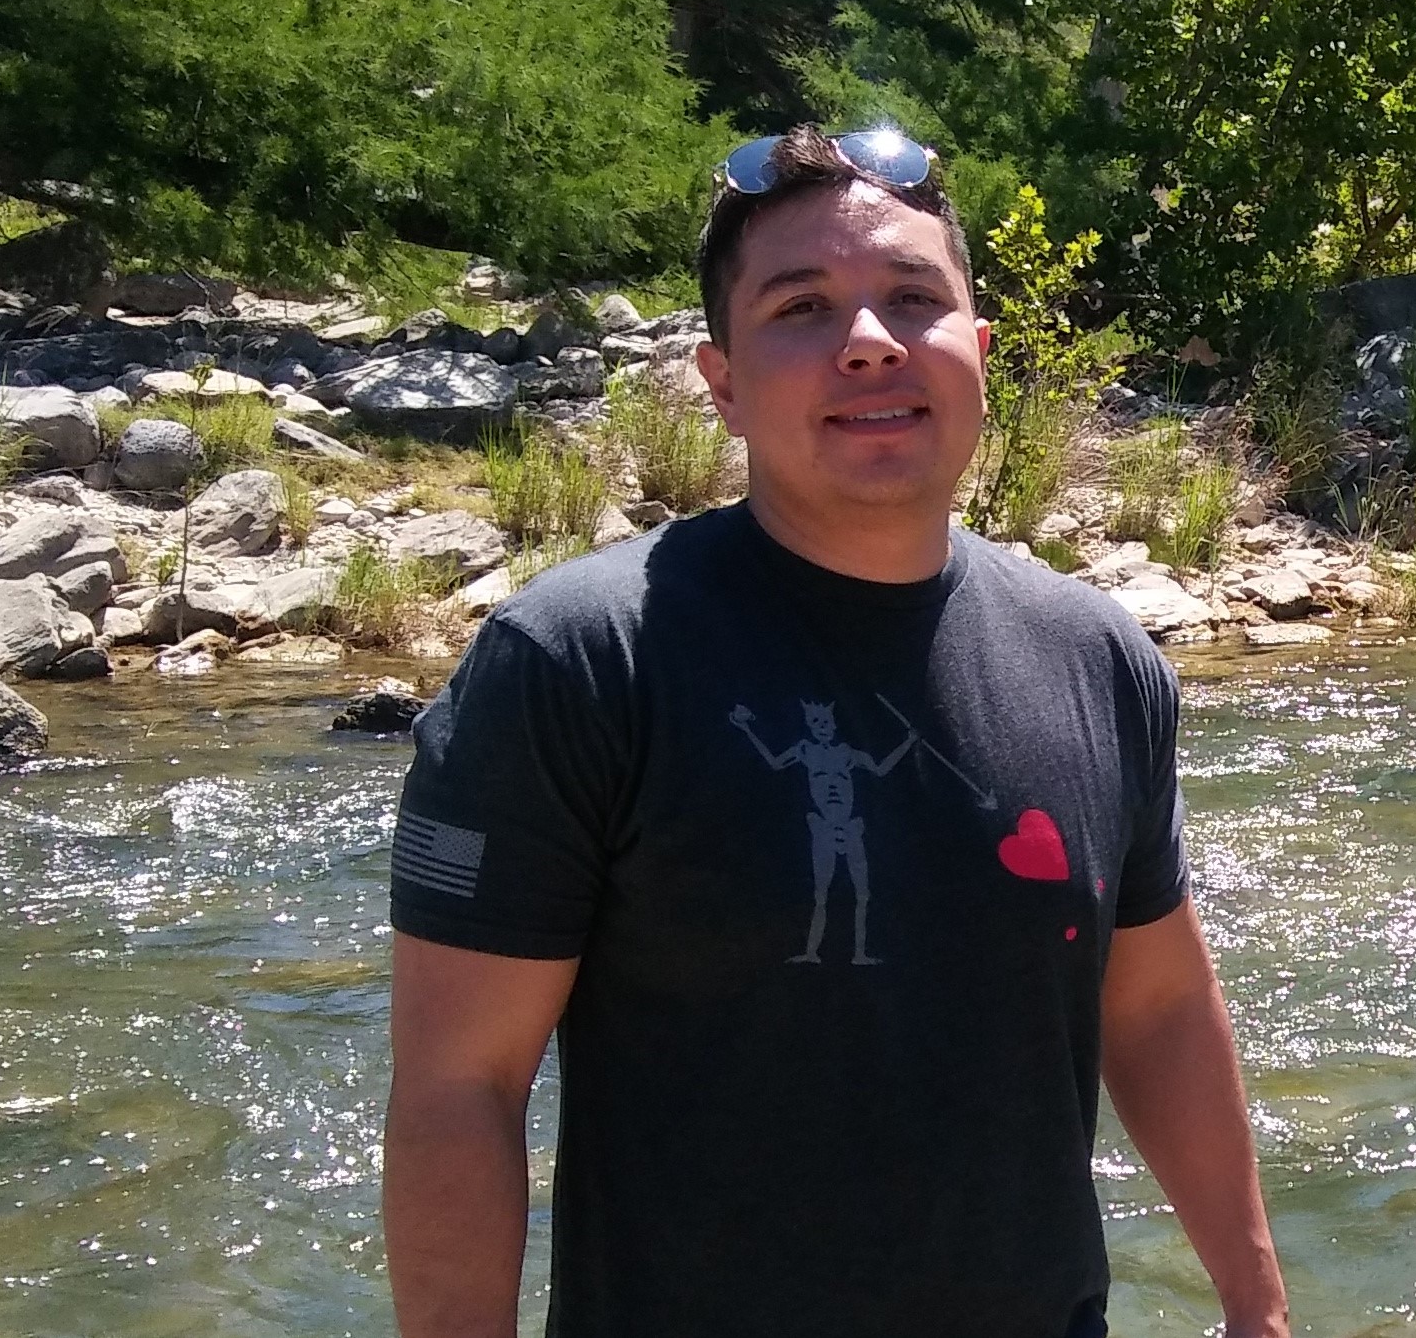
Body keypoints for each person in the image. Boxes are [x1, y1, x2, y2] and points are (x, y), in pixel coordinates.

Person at [381, 124, 1291, 1338]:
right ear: (723, 384)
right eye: (801, 307)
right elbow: (460, 1088)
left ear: (975, 350)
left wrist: (1257, 1306)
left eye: (912, 299)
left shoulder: (1098, 658)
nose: (869, 341)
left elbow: (1159, 1008)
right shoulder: (579, 660)